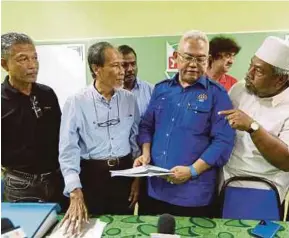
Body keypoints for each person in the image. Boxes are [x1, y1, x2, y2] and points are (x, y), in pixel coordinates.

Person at [134, 30, 235, 217]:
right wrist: (145, 154)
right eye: (188, 57)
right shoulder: (161, 89)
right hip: (155, 190)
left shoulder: (217, 95)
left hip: (193, 196)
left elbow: (223, 141)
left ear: (208, 60)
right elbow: (147, 126)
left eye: (201, 59)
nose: (194, 65)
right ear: (176, 57)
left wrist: (191, 171)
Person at [58, 42, 140, 235]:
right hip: (92, 176)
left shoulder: (129, 100)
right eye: (115, 65)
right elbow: (68, 149)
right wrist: (74, 190)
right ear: (97, 69)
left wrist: (137, 179)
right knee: (92, 230)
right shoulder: (77, 101)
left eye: (123, 65)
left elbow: (134, 140)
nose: (123, 71)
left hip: (124, 176)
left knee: (123, 229)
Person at [220, 36, 289, 203]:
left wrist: (253, 127)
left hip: (264, 189)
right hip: (224, 182)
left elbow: (287, 161)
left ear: (280, 79)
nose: (249, 73)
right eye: (251, 65)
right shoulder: (239, 90)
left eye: (258, 70)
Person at [1, 32, 66, 207]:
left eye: (34, 58)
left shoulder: (47, 94)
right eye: (23, 59)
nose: (32, 65)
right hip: (21, 184)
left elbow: (62, 135)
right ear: (4, 64)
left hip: (57, 179)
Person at [118, 45, 154, 117]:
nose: (130, 69)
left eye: (133, 64)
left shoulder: (151, 91)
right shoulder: (111, 93)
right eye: (125, 65)